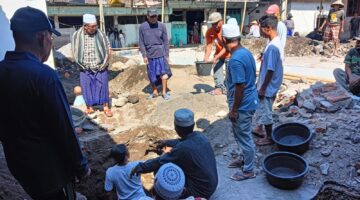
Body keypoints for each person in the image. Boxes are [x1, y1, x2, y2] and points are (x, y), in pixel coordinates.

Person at [0, 6, 90, 200]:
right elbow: (64, 128)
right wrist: (81, 166)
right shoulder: (44, 76)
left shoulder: (2, 70)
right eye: (51, 37)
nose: (51, 42)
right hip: (51, 174)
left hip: (20, 168)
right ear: (42, 37)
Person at [131, 109, 218, 199]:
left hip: (201, 191)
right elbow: (182, 141)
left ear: (176, 128)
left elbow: (160, 161)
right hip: (211, 184)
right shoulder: (199, 135)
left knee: (161, 170)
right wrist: (167, 142)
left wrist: (140, 167)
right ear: (192, 125)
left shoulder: (182, 149)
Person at [222, 24, 259, 181]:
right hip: (249, 101)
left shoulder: (235, 60)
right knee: (242, 134)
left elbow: (240, 86)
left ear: (224, 40)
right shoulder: (246, 53)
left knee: (244, 137)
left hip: (242, 105)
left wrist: (234, 110)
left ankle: (249, 170)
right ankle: (244, 160)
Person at [72, 14, 113, 117]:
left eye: (96, 26)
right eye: (92, 26)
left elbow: (108, 49)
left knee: (103, 86)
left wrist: (106, 61)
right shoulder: (76, 35)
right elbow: (73, 50)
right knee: (86, 87)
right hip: (84, 66)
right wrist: (78, 62)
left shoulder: (101, 34)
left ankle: (105, 107)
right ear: (85, 26)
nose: (95, 28)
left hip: (100, 65)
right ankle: (89, 107)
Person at [253, 15, 284, 146]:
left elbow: (270, 70)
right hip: (273, 84)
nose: (260, 32)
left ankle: (269, 137)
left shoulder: (272, 47)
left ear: (269, 28)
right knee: (266, 107)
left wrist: (263, 88)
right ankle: (260, 128)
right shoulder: (275, 43)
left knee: (267, 112)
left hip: (269, 85)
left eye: (262, 29)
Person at [139, 8, 172, 100]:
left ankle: (164, 92)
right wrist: (144, 55)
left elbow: (166, 41)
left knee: (163, 73)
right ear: (147, 17)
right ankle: (155, 91)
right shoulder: (142, 27)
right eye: (152, 17)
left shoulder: (162, 26)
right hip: (150, 55)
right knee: (151, 74)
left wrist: (167, 55)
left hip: (161, 53)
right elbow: (141, 42)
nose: (154, 18)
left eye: (155, 16)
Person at [204, 12, 230, 95]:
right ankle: (219, 88)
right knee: (216, 68)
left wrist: (216, 57)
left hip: (231, 54)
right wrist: (206, 58)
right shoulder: (209, 32)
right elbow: (209, 45)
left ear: (221, 21)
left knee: (230, 72)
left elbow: (227, 47)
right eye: (212, 24)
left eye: (216, 24)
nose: (214, 26)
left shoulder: (226, 30)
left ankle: (227, 88)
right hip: (219, 54)